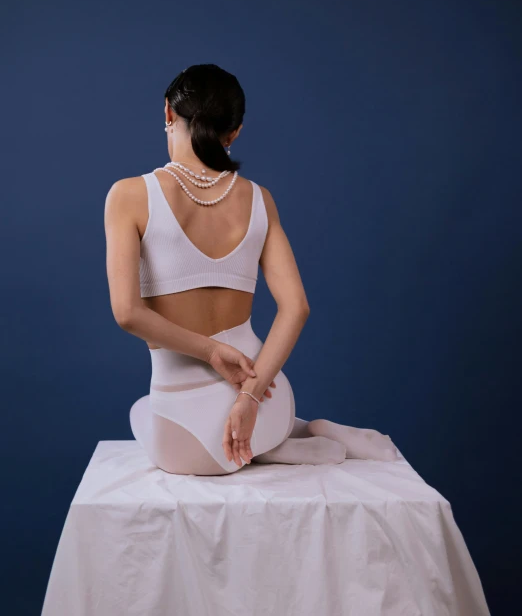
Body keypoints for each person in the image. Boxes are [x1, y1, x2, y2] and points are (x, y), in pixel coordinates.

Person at [104, 64, 398, 475]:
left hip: (187, 438)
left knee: (142, 413)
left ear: (168, 112)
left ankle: (283, 444)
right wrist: (251, 396)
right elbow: (297, 308)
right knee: (176, 413)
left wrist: (210, 351)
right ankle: (290, 436)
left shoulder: (129, 195)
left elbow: (127, 313)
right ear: (235, 132)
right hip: (265, 401)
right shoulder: (260, 199)